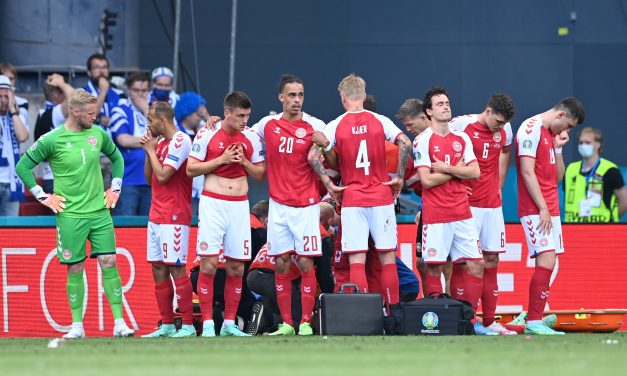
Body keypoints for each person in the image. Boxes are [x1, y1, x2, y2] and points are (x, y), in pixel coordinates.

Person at [15, 90, 134, 338]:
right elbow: (23, 166)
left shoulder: (98, 134)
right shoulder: (52, 139)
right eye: (91, 114)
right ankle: (77, 326)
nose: (95, 117)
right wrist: (42, 195)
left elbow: (117, 158)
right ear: (75, 111)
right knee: (75, 267)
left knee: (109, 261)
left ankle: (119, 323)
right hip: (70, 215)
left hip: (99, 212)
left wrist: (116, 186)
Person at [310, 74, 412, 334]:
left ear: (343, 98)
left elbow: (313, 157)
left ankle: (363, 317)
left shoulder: (336, 124)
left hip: (353, 197)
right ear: (364, 95)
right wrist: (399, 176)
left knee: (357, 258)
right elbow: (405, 142)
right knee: (387, 256)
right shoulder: (380, 120)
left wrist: (330, 185)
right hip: (380, 195)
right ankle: (394, 314)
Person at [250, 74, 326, 336]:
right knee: (281, 263)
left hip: (306, 206)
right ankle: (286, 324)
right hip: (279, 206)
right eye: (291, 95)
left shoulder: (314, 125)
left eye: (301, 95)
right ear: (281, 97)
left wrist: (327, 145)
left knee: (305, 262)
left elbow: (334, 155)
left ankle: (305, 321)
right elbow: (243, 133)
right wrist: (215, 124)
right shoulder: (267, 125)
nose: (297, 100)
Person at [413, 87, 491, 335]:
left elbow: (475, 172)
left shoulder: (462, 139)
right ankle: (435, 323)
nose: (446, 106)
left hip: (462, 212)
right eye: (439, 104)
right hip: (436, 215)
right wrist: (457, 171)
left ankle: (467, 321)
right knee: (434, 267)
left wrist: (445, 168)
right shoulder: (422, 140)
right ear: (429, 111)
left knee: (475, 265)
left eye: (447, 102)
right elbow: (425, 180)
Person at [187, 91, 265, 337]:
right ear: (227, 113)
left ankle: (230, 323)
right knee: (209, 265)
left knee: (236, 268)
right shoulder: (207, 133)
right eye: (240, 115)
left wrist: (243, 163)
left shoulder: (251, 136)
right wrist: (221, 159)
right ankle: (209, 322)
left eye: (248, 115)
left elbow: (260, 174)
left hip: (239, 206)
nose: (244, 120)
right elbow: (191, 169)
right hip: (213, 205)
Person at [515, 97, 585, 335]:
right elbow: (526, 172)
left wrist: (559, 148)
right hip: (536, 208)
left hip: (550, 208)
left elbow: (556, 178)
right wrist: (542, 207)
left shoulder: (549, 135)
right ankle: (532, 320)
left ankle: (533, 317)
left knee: (550, 262)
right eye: (569, 126)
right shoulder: (530, 129)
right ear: (561, 116)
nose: (567, 131)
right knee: (546, 260)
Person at [449, 93, 517, 335]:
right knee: (462, 264)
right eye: (497, 121)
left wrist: (499, 184)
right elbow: (442, 147)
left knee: (492, 261)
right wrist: (457, 180)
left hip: (492, 207)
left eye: (503, 123)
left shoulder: (506, 129)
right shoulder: (460, 125)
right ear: (487, 111)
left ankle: (489, 322)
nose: (500, 126)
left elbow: (506, 152)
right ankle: (464, 323)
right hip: (467, 206)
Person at [139, 102, 195, 338]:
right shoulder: (159, 143)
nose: (148, 125)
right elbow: (150, 179)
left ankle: (189, 325)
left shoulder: (181, 141)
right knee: (158, 268)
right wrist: (149, 151)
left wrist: (151, 151)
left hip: (175, 214)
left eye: (151, 120)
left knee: (176, 268)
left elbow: (164, 175)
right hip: (156, 214)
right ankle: (168, 325)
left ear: (162, 120)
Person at [564, 127, 627, 222]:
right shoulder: (570, 169)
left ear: (598, 144)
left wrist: (611, 219)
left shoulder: (610, 170)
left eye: (587, 142)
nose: (583, 145)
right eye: (581, 142)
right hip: (573, 227)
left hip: (601, 229)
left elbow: (624, 200)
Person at [109, 72, 152, 215]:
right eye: (136, 90)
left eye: (144, 90)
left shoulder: (153, 112)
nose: (140, 95)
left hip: (151, 180)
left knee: (149, 229)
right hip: (127, 181)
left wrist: (146, 110)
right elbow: (123, 139)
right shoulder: (119, 110)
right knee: (125, 228)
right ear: (128, 90)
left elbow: (165, 136)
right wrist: (151, 141)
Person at [34, 74, 74, 195]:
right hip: (60, 181)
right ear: (57, 95)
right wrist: (61, 83)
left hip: (58, 179)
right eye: (64, 91)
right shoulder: (53, 113)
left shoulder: (44, 113)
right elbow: (76, 99)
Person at [0, 75, 29, 216]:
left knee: (9, 230)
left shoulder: (18, 115)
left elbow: (23, 136)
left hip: (11, 182)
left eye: (7, 96)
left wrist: (12, 110)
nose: (3, 100)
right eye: (0, 97)